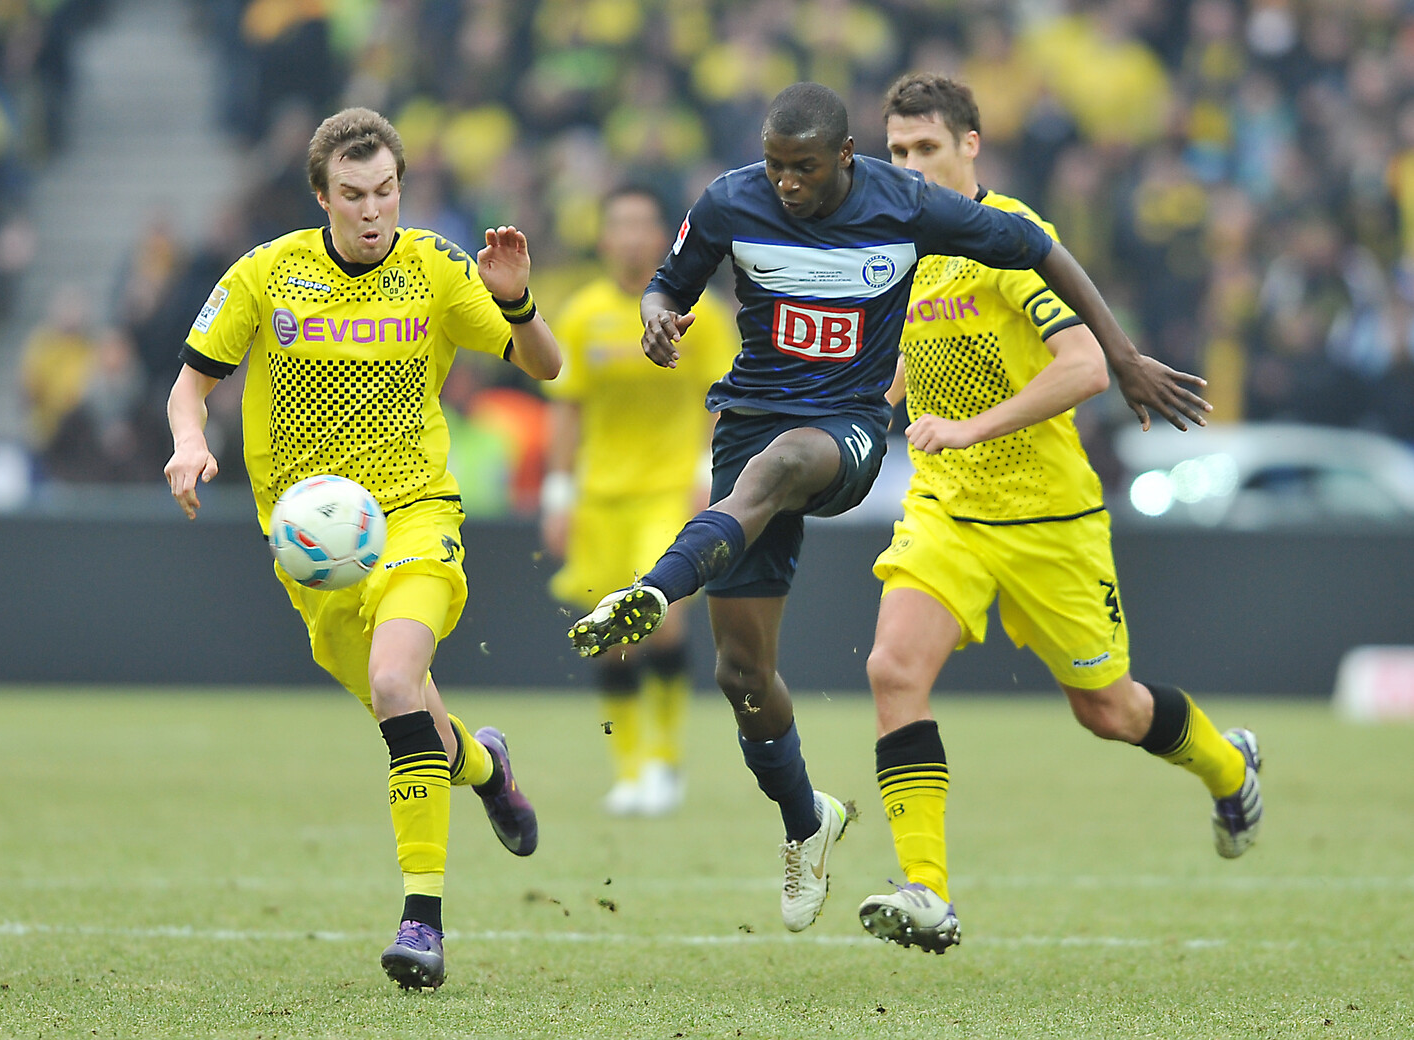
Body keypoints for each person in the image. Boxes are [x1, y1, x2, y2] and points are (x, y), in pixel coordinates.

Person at [566, 82, 1210, 934]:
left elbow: (1044, 252)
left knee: (786, 465)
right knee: (743, 675)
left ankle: (656, 587)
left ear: (844, 158)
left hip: (855, 436)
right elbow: (667, 283)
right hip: (766, 427)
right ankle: (810, 822)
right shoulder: (730, 200)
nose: (787, 183)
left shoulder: (912, 209)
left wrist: (1123, 356)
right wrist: (658, 321)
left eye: (804, 168)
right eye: (775, 166)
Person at [854, 73, 1261, 955]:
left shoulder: (1012, 238)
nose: (911, 167)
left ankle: (1229, 766)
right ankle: (925, 891)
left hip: (1047, 519)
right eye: (897, 152)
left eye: (927, 148)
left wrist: (972, 428)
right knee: (893, 670)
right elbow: (896, 372)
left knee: (1108, 711)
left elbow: (1083, 367)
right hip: (948, 512)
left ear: (972, 146)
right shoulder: (894, 251)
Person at [163, 107, 562, 991]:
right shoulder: (269, 274)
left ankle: (423, 923)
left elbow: (547, 366)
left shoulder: (436, 266)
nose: (374, 209)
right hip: (313, 546)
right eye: (353, 194)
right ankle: (489, 766)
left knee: (394, 682)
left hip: (416, 515)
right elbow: (189, 385)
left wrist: (517, 301)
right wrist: (190, 442)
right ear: (322, 196)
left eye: (386, 190)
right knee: (407, 712)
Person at [542, 185, 737, 816]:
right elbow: (567, 409)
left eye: (641, 225)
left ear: (662, 239)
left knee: (657, 618)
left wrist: (707, 473)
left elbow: (726, 397)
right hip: (600, 498)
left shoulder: (700, 315)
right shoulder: (582, 314)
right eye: (618, 224)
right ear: (603, 239)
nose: (629, 236)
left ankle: (663, 761)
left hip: (668, 491)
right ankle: (627, 769)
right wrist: (559, 493)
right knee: (609, 637)